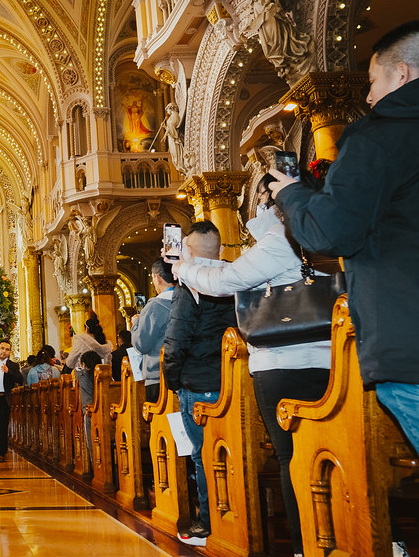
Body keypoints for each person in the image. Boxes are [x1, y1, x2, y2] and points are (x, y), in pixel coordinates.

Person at [270, 20, 419, 492]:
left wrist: (293, 196)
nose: (366, 97)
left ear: (401, 74)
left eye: (372, 82)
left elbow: (329, 232)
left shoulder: (380, 136)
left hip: (418, 342)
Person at [167, 176, 331, 556]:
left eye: (262, 194)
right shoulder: (332, 232)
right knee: (327, 451)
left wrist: (185, 269)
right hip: (331, 357)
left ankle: (306, 544)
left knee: (292, 456)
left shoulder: (283, 239)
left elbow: (229, 280)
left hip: (283, 361)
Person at [161, 220, 236, 546]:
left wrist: (173, 380)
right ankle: (237, 518)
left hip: (198, 383)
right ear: (220, 249)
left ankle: (208, 523)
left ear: (185, 250)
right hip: (234, 381)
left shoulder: (188, 285)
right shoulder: (237, 277)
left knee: (204, 456)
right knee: (231, 454)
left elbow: (176, 340)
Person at [132, 260, 178, 403]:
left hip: (158, 377)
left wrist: (135, 324)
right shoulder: (186, 301)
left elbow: (141, 345)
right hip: (183, 375)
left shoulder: (154, 306)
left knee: (160, 424)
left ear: (157, 277)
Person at [0, 339, 23, 462]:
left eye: (7, 349)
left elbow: (20, 379)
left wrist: (8, 372)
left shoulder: (12, 365)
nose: (4, 351)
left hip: (4, 398)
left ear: (9, 352)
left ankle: (1, 452)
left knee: (2, 426)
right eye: (2, 348)